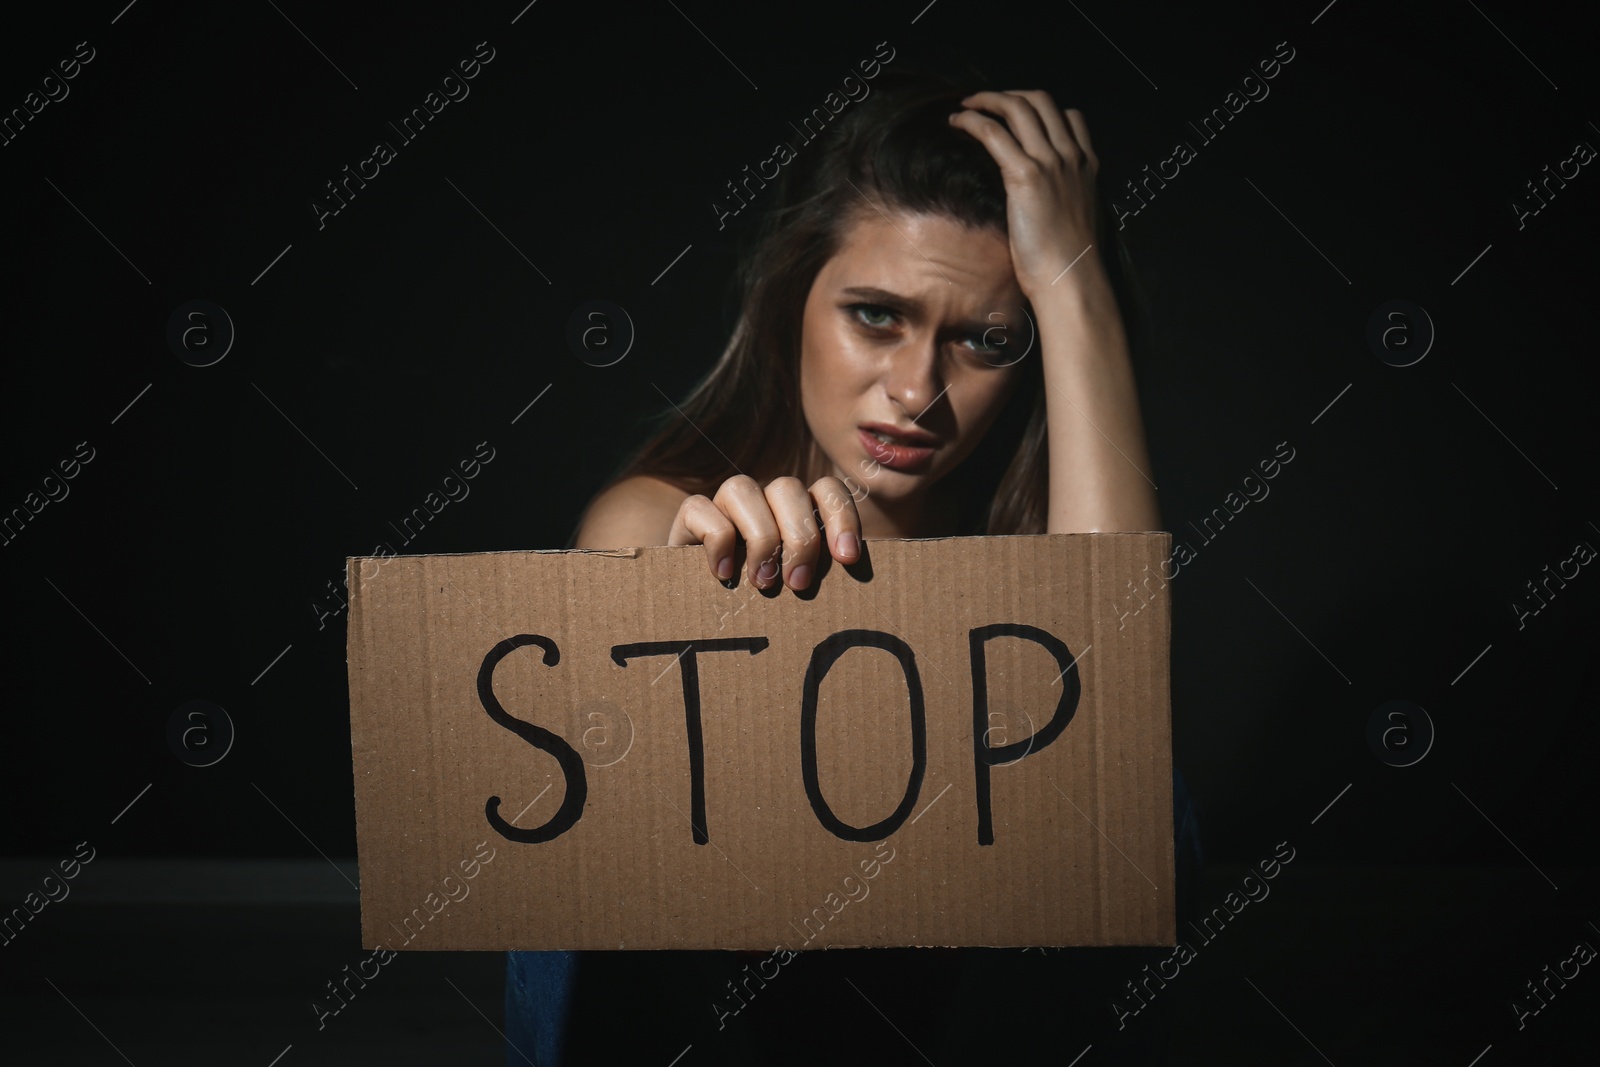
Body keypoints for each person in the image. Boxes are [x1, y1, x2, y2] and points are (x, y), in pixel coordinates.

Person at [506, 66, 1203, 1065]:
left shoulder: (1035, 535)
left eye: (989, 339)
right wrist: (692, 600)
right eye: (876, 314)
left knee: (1135, 768)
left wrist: (1074, 279)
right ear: (793, 300)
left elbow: (1116, 721)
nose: (918, 389)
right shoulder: (657, 513)